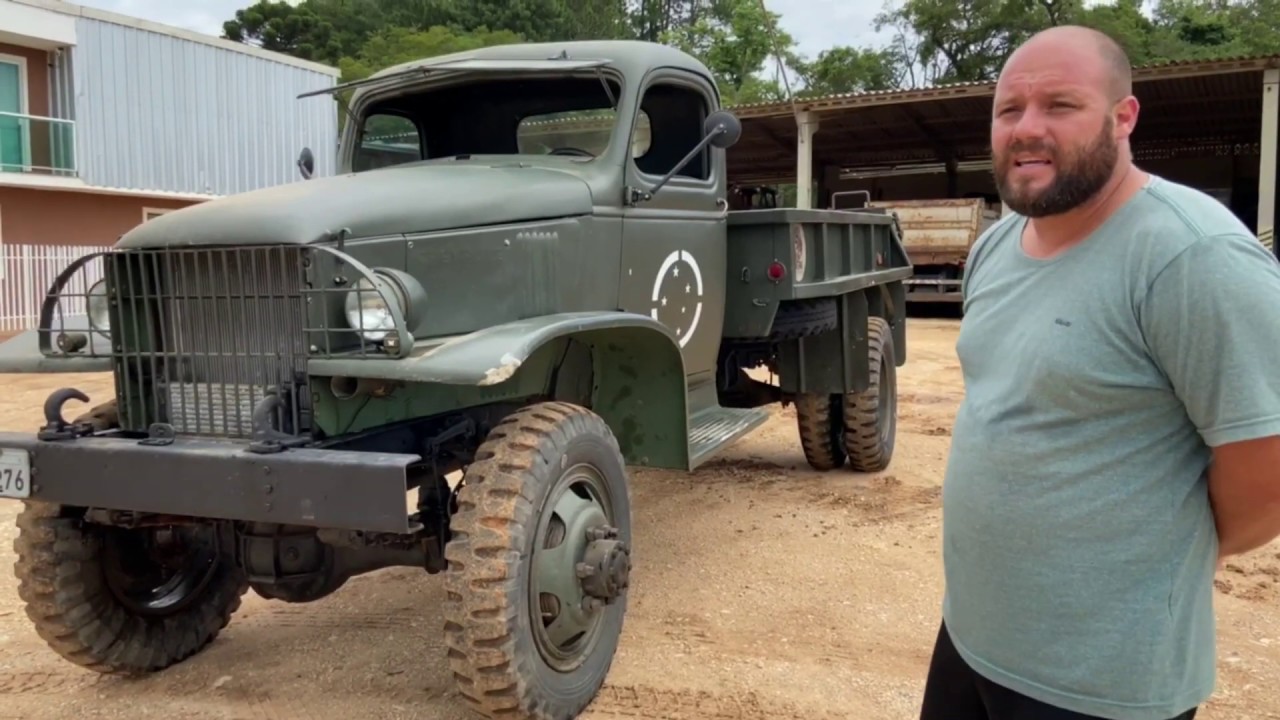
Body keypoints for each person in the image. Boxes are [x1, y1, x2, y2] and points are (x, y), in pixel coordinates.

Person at [919, 24, 1280, 720]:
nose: (1027, 129)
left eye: (1060, 105)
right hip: (972, 637)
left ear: (1124, 118)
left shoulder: (1191, 256)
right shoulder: (995, 247)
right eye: (1008, 110)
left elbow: (1264, 468)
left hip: (1104, 682)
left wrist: (1176, 544)